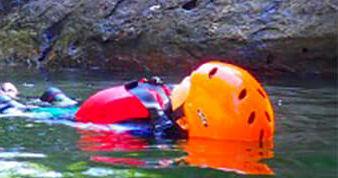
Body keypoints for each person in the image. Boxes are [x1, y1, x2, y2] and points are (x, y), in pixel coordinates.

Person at [75, 61, 275, 143]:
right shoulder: (160, 117)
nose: (184, 81)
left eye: (188, 84)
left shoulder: (136, 129)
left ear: (184, 121)